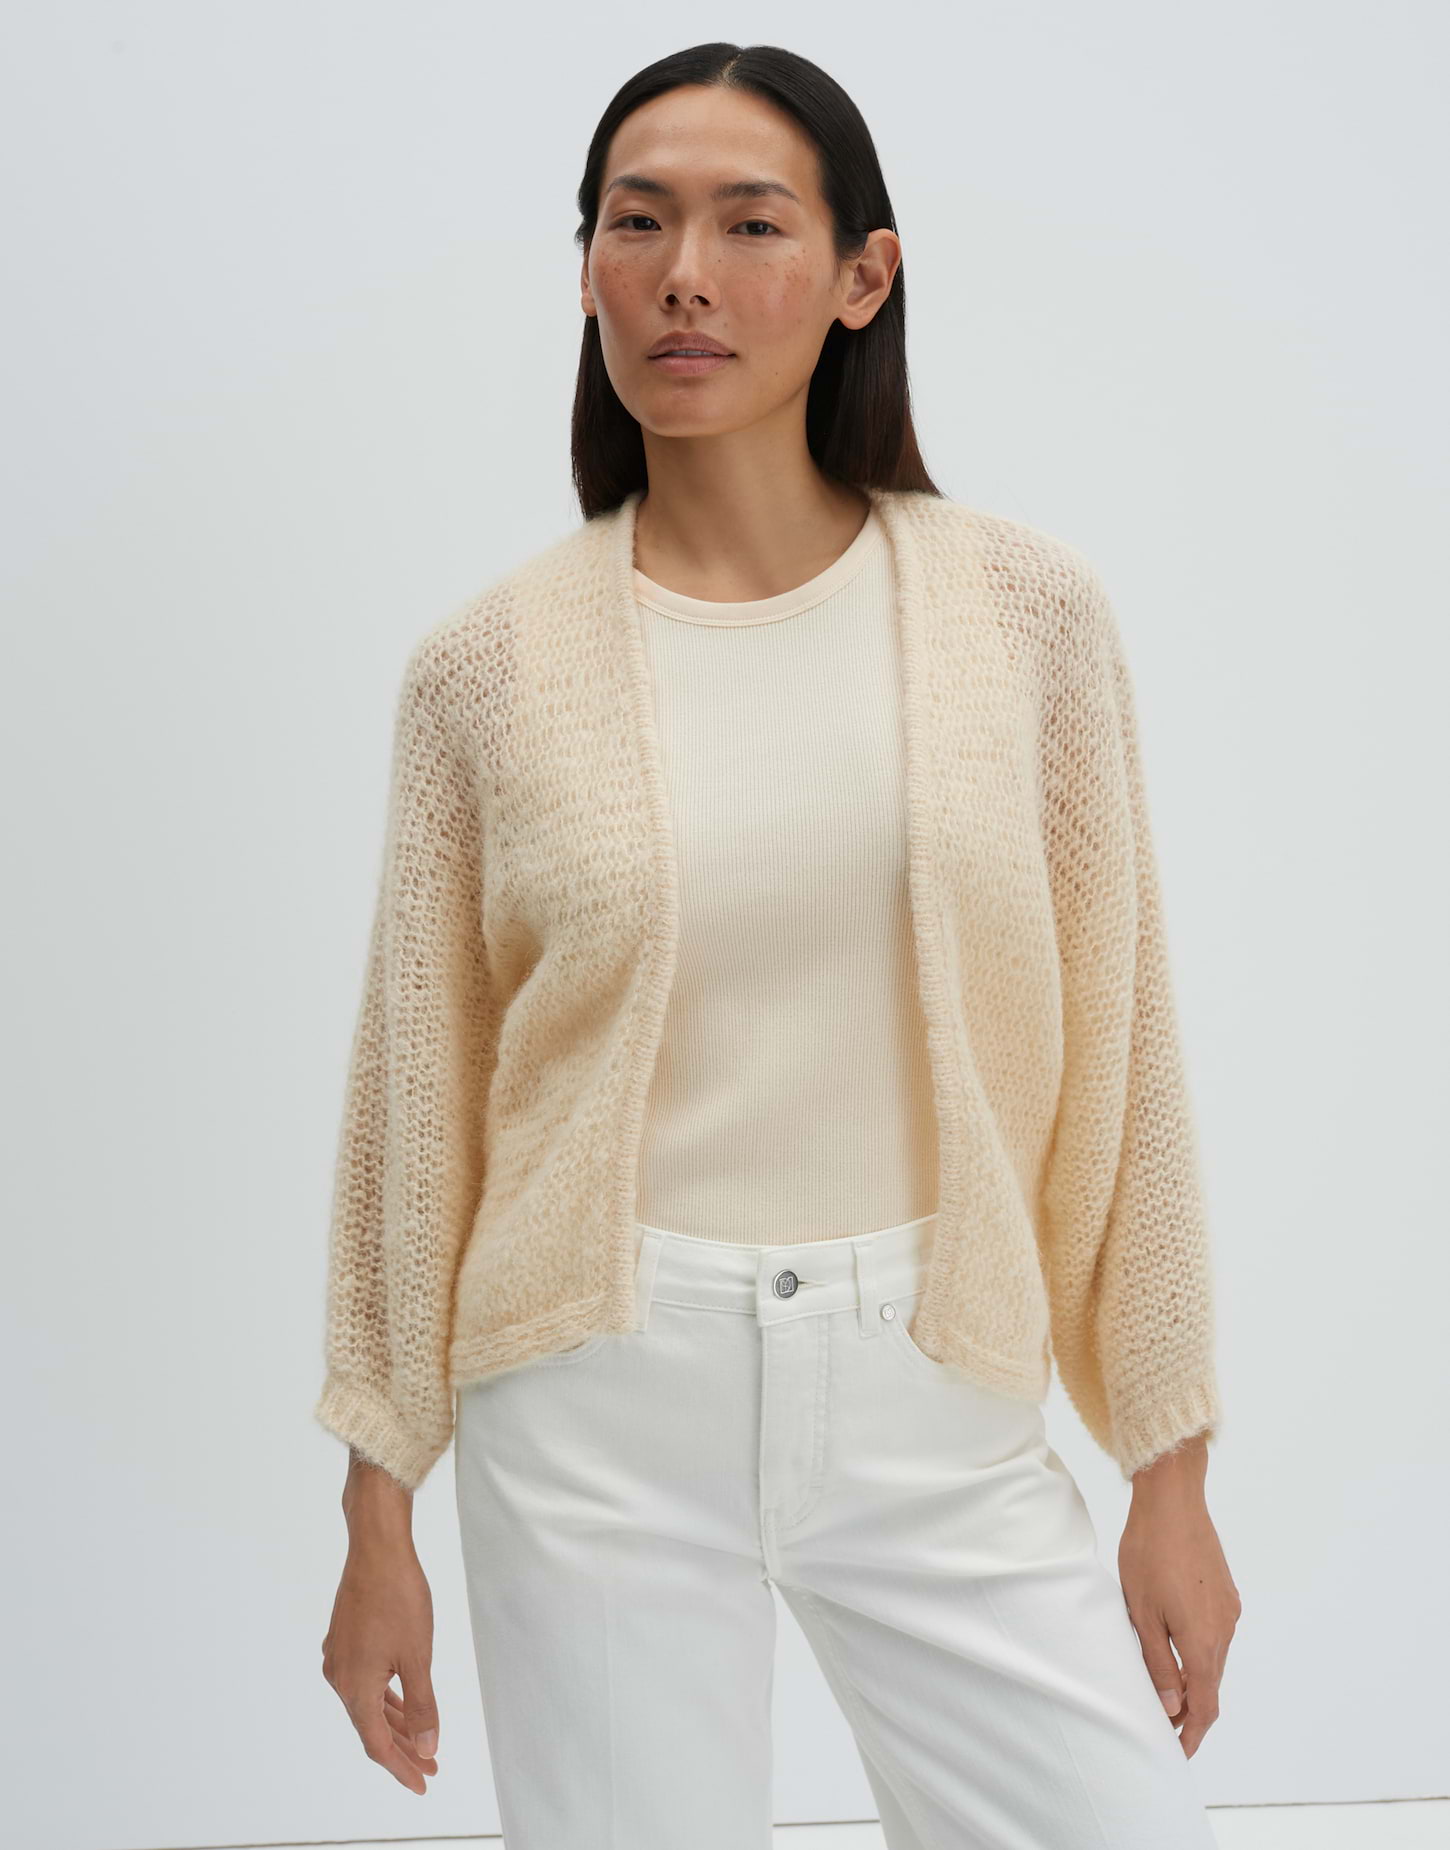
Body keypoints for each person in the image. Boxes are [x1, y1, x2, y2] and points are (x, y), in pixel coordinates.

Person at [317, 40, 1240, 1849]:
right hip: (592, 1401)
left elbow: (1124, 1054)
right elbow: (411, 1112)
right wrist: (375, 1513)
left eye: (749, 225)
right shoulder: (482, 672)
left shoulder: (1025, 616)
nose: (683, 274)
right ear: (587, 268)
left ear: (860, 276)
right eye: (635, 223)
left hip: (934, 1384)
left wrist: (1168, 1464)